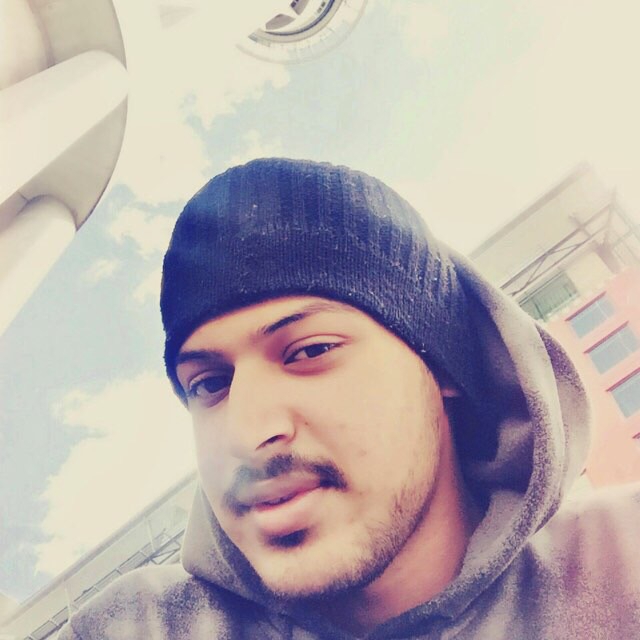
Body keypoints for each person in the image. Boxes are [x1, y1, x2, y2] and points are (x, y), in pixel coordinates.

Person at [58, 158, 640, 639]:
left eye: (309, 351)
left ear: (442, 363)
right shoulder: (137, 628)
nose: (246, 433)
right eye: (209, 384)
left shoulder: (621, 566)